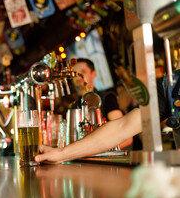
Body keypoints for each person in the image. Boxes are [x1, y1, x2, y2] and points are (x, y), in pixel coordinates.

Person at [35, 68, 180, 163]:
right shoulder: (172, 85)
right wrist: (61, 154)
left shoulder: (106, 97)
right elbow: (122, 127)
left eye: (83, 71)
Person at [71, 58, 133, 148]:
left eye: (83, 72)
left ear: (94, 74)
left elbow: (126, 136)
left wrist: (100, 151)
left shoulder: (106, 98)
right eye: (75, 73)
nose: (78, 76)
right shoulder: (75, 105)